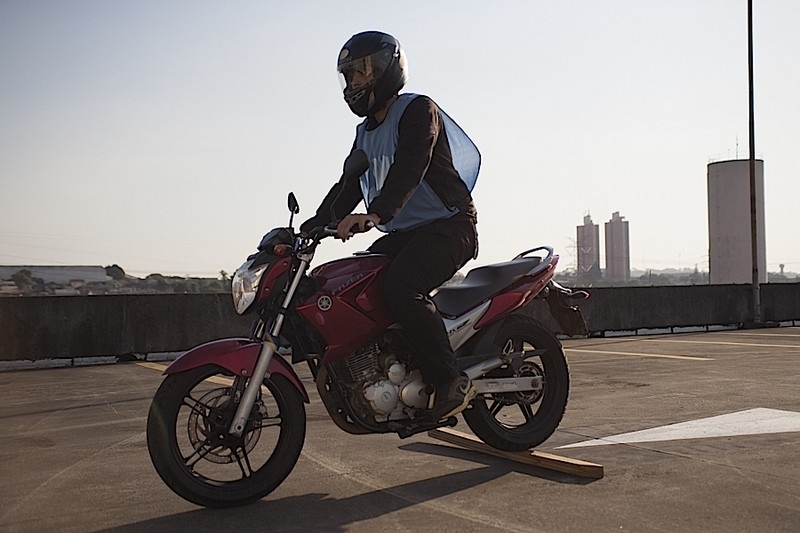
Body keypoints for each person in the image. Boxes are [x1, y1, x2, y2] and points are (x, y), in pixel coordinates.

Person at [300, 31, 480, 421]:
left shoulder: (418, 111)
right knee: (356, 282)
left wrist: (377, 213)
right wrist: (310, 228)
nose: (354, 84)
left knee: (401, 285)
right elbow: (347, 188)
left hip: (450, 226)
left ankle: (450, 381)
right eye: (348, 76)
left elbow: (410, 167)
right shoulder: (364, 132)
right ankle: (396, 370)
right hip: (405, 234)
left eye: (361, 73)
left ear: (386, 68)